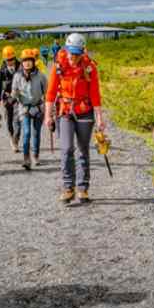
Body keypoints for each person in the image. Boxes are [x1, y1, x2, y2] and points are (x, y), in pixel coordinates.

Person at [44, 33, 106, 204]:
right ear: (66, 49)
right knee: (66, 149)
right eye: (71, 53)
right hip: (65, 111)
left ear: (82, 52)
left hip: (85, 111)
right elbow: (50, 93)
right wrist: (47, 115)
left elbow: (95, 94)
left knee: (83, 149)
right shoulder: (59, 66)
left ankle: (83, 188)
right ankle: (68, 187)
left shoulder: (89, 68)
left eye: (77, 53)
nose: (73, 57)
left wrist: (100, 118)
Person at [11, 48, 48, 170]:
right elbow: (14, 92)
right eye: (25, 60)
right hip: (24, 108)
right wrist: (13, 96)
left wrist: (49, 111)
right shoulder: (17, 76)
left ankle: (36, 155)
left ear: (33, 62)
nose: (27, 63)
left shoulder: (41, 76)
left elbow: (47, 93)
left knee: (36, 133)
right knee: (26, 132)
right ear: (21, 62)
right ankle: (26, 158)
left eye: (29, 60)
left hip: (38, 108)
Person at [0, 45, 21, 147]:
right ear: (4, 60)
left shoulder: (21, 67)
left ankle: (16, 138)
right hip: (6, 97)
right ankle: (11, 136)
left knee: (17, 119)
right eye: (7, 60)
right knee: (9, 118)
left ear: (14, 57)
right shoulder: (1, 70)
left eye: (12, 59)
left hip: (18, 97)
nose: (10, 61)